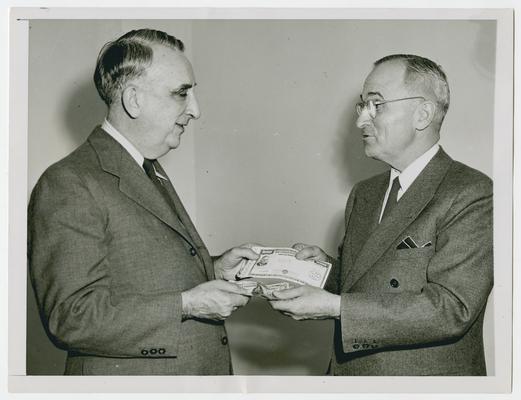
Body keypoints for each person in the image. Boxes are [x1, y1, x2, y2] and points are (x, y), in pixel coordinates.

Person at [28, 28, 257, 375]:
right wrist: (188, 304)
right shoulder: (68, 182)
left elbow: (139, 269)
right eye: (181, 94)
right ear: (133, 100)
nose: (195, 110)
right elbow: (70, 317)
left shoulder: (146, 167)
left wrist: (214, 268)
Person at [270, 54, 493, 376]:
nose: (361, 120)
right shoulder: (366, 193)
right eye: (361, 106)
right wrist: (322, 270)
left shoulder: (471, 191)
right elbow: (365, 281)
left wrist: (336, 307)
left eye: (377, 105)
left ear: (423, 114)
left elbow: (452, 308)